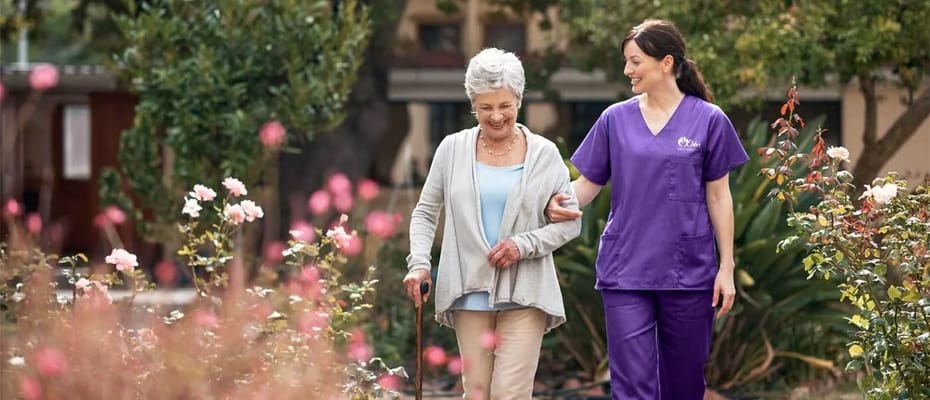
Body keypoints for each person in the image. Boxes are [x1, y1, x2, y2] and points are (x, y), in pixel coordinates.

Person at [545, 19, 749, 399]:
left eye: (635, 61)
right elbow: (587, 184)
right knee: (631, 385)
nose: (628, 71)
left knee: (684, 383)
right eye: (626, 62)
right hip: (627, 271)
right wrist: (552, 201)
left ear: (666, 62)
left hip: (689, 272)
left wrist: (726, 267)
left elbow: (719, 197)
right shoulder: (614, 120)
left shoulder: (709, 120)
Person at [403, 47, 582, 399]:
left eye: (505, 106)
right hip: (469, 292)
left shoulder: (544, 154)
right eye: (486, 107)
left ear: (519, 99)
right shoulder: (451, 149)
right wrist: (419, 264)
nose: (496, 116)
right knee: (477, 393)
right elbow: (425, 212)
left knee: (510, 394)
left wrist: (522, 245)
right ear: (473, 104)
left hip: (525, 294)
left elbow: (569, 223)